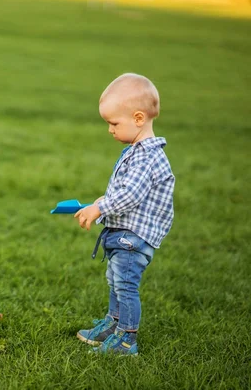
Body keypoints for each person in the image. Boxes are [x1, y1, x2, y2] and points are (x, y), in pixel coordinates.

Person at [74, 73, 175, 355]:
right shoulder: (139, 150)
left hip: (134, 238)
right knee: (116, 281)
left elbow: (131, 196)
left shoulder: (146, 156)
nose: (110, 130)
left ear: (139, 118)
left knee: (126, 286)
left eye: (114, 123)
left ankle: (126, 339)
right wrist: (102, 200)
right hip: (124, 234)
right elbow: (126, 190)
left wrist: (100, 208)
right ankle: (113, 324)